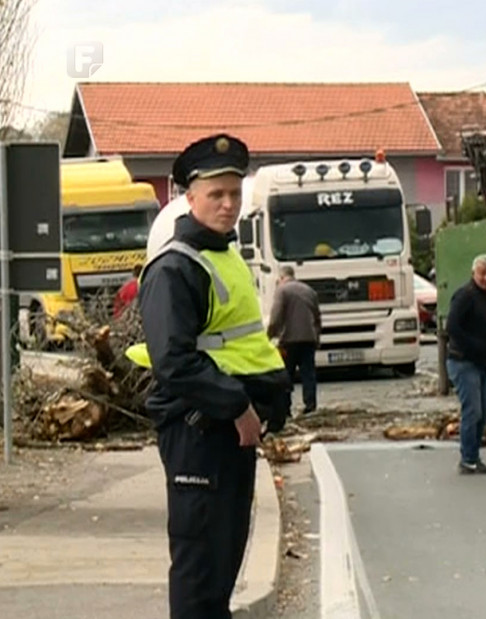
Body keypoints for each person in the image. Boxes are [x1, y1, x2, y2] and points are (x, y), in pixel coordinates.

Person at [123, 133, 291, 619]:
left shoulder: (225, 256)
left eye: (234, 193)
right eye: (216, 194)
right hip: (200, 432)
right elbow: (174, 361)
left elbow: (240, 345)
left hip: (226, 438)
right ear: (188, 199)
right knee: (200, 577)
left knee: (219, 575)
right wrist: (237, 405)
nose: (228, 204)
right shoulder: (175, 267)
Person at [445, 254, 486, 474]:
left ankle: (474, 456)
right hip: (462, 361)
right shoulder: (465, 296)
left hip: (481, 364)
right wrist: (473, 346)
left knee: (484, 410)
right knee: (473, 410)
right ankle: (467, 458)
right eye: (482, 273)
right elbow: (453, 326)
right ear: (473, 273)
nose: (485, 278)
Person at [267, 265, 322, 415]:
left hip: (288, 341)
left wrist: (269, 336)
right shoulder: (309, 291)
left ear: (281, 277)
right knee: (308, 374)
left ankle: (285, 409)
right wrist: (317, 338)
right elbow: (317, 317)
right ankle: (310, 406)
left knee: (286, 376)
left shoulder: (282, 290)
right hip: (308, 339)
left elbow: (276, 317)